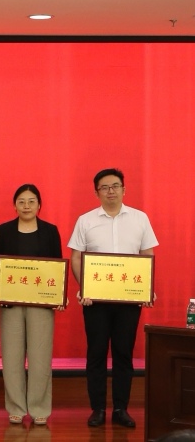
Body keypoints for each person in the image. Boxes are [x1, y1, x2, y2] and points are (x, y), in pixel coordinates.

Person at [69, 168, 157, 429]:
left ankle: (121, 409)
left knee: (123, 354)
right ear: (96, 192)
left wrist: (146, 288)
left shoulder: (140, 219)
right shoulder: (85, 220)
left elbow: (147, 255)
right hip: (95, 301)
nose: (110, 191)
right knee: (96, 353)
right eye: (105, 187)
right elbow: (76, 257)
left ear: (124, 189)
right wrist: (84, 288)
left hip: (128, 301)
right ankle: (97, 409)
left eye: (115, 186)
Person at [0, 184, 63, 426]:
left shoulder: (50, 231)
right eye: (21, 201)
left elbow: (57, 266)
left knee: (41, 357)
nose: (26, 206)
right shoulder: (4, 231)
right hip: (10, 303)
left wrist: (59, 295)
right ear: (15, 205)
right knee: (12, 357)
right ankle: (16, 407)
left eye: (31, 201)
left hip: (41, 304)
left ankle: (40, 408)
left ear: (39, 205)